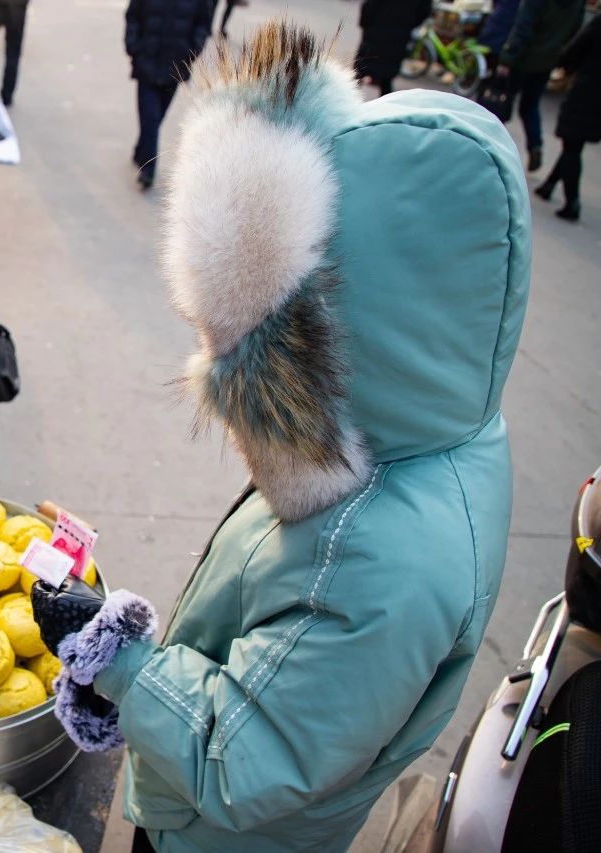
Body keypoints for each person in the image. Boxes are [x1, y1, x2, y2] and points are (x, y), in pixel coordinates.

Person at [30, 22, 530, 852]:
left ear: (337, 322)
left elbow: (242, 759)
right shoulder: (428, 422)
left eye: (259, 336)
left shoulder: (385, 556)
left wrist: (118, 662)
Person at [125, 0, 214, 189]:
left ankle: (141, 149)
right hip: (146, 64)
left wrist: (191, 52)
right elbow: (133, 15)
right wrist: (133, 46)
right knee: (150, 117)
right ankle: (148, 169)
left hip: (175, 68)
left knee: (156, 119)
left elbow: (203, 24)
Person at [497, 0, 586, 171]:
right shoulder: (577, 4)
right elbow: (574, 30)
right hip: (547, 61)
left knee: (503, 103)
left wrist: (507, 57)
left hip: (522, 57)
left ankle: (494, 147)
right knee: (530, 106)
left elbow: (523, 26)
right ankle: (535, 146)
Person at [534, 14, 600, 221]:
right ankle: (549, 185)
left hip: (589, 90)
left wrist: (565, 64)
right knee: (574, 143)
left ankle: (572, 202)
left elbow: (574, 50)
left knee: (572, 144)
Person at [353, 0, 432, 96]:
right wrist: (408, 24)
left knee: (360, 73)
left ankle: (346, 104)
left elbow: (369, 6)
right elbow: (424, 11)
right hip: (400, 34)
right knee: (386, 77)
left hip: (375, 31)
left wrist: (365, 24)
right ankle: (385, 107)